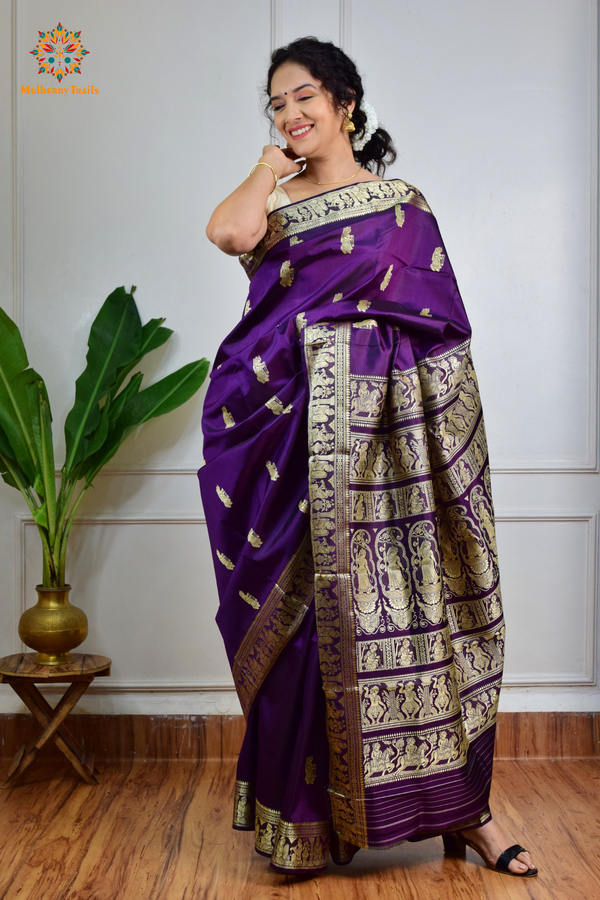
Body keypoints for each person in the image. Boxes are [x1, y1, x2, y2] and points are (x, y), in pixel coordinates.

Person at [199, 36, 537, 879]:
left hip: (393, 462)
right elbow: (226, 230)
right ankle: (314, 825)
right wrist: (268, 164)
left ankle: (470, 818)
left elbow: (441, 333)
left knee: (420, 619)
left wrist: (374, 386)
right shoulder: (274, 209)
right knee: (312, 633)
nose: (291, 113)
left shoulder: (400, 207)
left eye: (305, 97)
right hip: (290, 450)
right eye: (277, 103)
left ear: (347, 104)